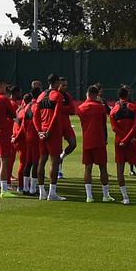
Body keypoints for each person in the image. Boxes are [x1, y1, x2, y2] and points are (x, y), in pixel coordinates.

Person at [75, 84, 114, 203]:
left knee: (88, 168)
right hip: (99, 140)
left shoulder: (80, 108)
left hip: (87, 140)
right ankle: (105, 195)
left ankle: (89, 196)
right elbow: (103, 124)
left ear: (88, 94)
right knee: (103, 168)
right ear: (96, 95)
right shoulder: (100, 107)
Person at [34, 73, 69, 201]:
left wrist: (39, 131)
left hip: (41, 131)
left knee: (42, 160)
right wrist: (49, 130)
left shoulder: (40, 96)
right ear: (56, 83)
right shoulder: (58, 95)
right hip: (52, 132)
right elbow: (55, 115)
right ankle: (52, 193)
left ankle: (42, 192)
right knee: (54, 162)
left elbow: (35, 116)